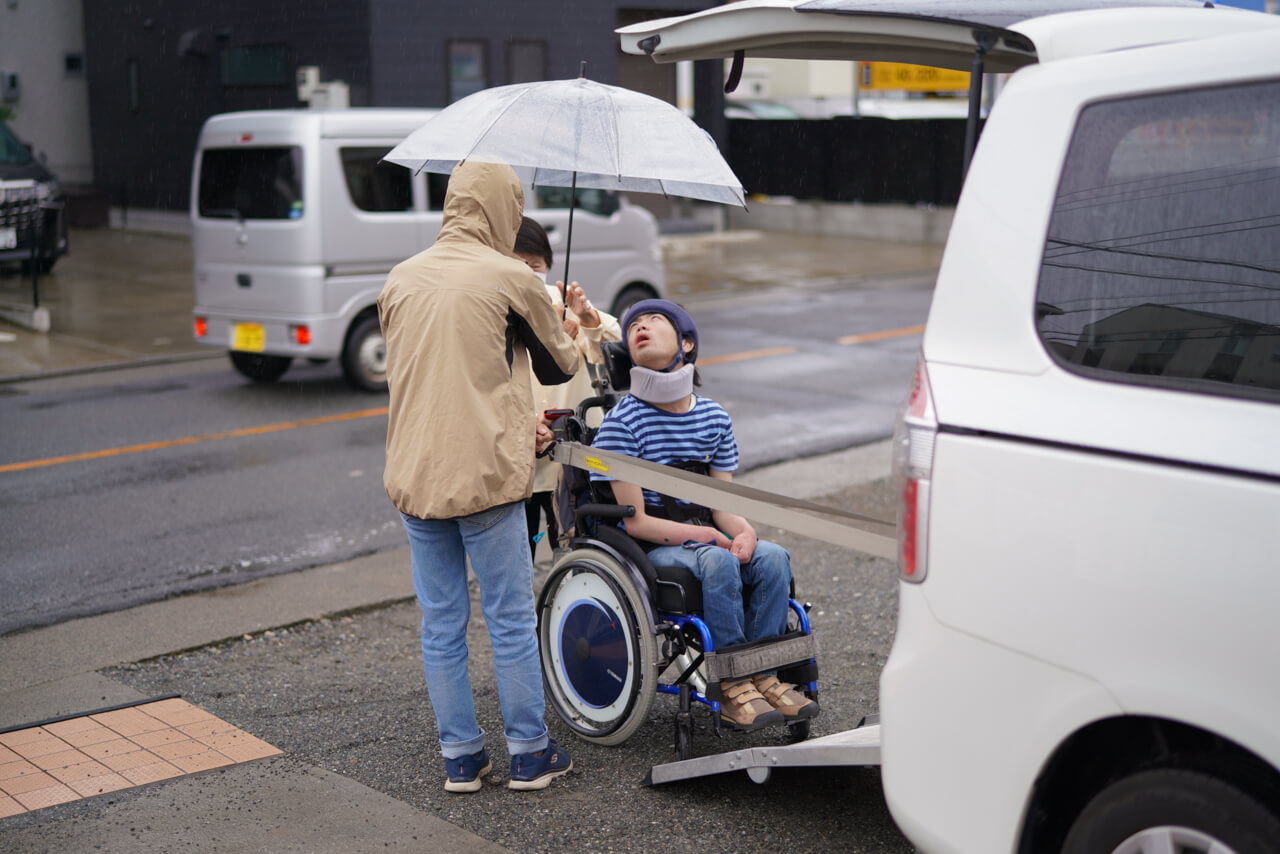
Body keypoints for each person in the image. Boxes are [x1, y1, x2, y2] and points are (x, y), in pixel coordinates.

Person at [378, 161, 577, 793]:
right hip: (486, 472)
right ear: (505, 210)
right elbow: (559, 366)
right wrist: (562, 327)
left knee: (441, 624)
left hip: (415, 472)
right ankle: (530, 753)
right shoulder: (511, 275)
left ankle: (461, 757)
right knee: (509, 620)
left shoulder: (401, 277)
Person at [588, 299, 820, 732]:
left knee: (772, 556)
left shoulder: (713, 416)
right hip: (654, 546)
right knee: (717, 560)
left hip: (705, 532)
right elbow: (637, 522)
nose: (641, 326)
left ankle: (764, 677)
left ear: (687, 344)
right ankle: (731, 684)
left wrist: (744, 532)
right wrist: (711, 538)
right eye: (633, 325)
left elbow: (721, 505)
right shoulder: (622, 423)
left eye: (655, 320)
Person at [513, 216, 622, 557]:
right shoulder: (492, 308)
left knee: (577, 550)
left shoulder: (561, 304)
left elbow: (616, 349)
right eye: (517, 264)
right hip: (519, 462)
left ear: (547, 265)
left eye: (535, 265)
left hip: (573, 459)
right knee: (521, 552)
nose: (527, 272)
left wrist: (589, 319)